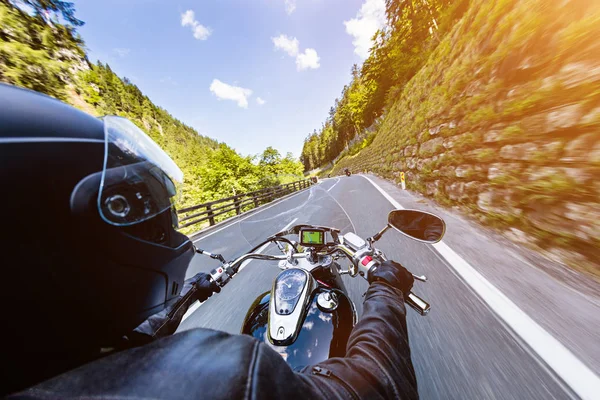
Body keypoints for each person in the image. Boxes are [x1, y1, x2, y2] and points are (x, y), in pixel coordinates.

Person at [1, 83, 419, 399]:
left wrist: (187, 294)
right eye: (148, 220)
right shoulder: (228, 381)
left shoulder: (69, 371)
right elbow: (373, 383)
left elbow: (136, 339)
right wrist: (386, 286)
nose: (170, 232)